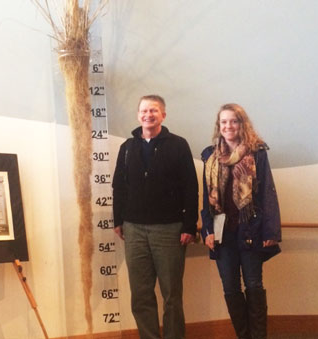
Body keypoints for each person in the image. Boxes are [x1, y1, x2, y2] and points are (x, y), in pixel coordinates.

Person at [112, 95, 199, 339]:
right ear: (138, 114)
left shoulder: (178, 145)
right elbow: (119, 186)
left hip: (169, 230)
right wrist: (118, 220)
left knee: (171, 295)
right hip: (134, 229)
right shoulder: (127, 148)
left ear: (163, 115)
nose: (148, 115)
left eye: (154, 110)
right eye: (144, 111)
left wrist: (189, 226)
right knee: (140, 293)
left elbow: (190, 187)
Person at [201, 103, 281, 339]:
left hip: (251, 229)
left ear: (241, 124)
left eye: (233, 121)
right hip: (221, 233)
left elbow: (267, 191)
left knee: (254, 285)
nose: (228, 126)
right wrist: (207, 230)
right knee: (231, 288)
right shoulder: (210, 156)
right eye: (224, 122)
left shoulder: (256, 152)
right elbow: (207, 199)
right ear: (219, 126)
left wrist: (270, 232)